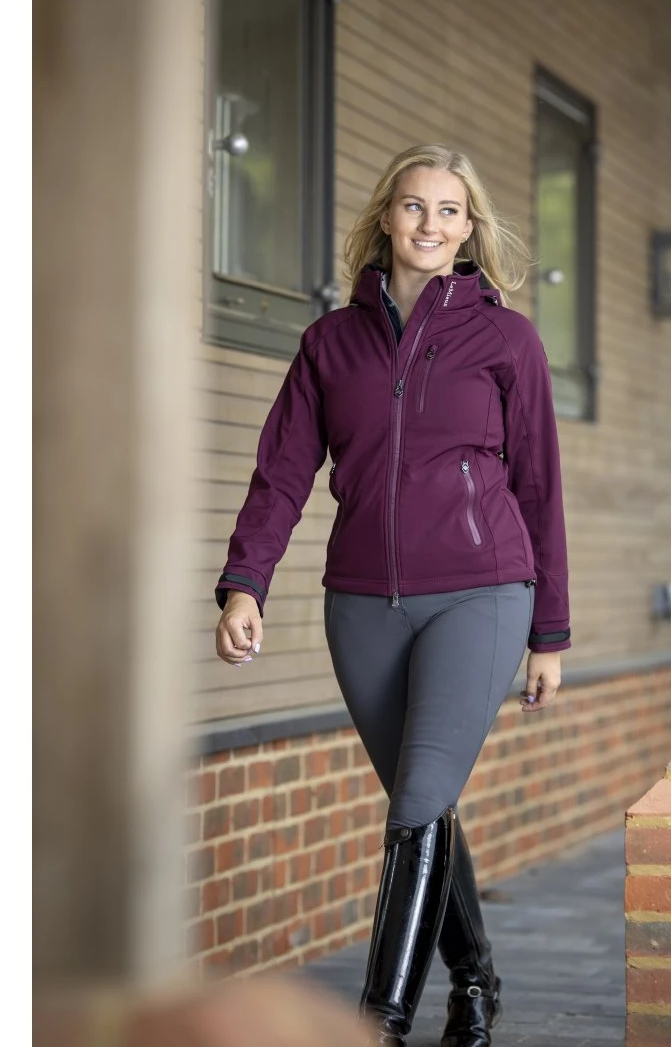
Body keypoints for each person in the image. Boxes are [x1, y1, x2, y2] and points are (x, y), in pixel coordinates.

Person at [213, 144, 572, 1047]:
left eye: (449, 210)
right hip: (363, 605)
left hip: (483, 594)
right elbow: (280, 474)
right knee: (426, 805)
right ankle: (476, 982)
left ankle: (379, 1023)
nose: (430, 224)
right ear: (386, 217)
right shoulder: (330, 345)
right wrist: (245, 584)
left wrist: (551, 633)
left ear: (469, 228)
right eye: (415, 206)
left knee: (412, 808)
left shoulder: (507, 341)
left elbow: (539, 487)